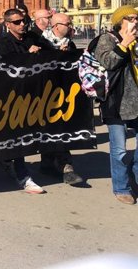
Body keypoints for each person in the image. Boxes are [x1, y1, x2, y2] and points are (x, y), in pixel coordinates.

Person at [0, 8, 46, 195]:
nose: (22, 24)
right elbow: (7, 67)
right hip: (12, 97)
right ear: (8, 25)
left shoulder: (32, 36)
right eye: (17, 22)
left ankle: (7, 162)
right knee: (18, 137)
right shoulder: (3, 42)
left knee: (21, 137)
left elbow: (50, 51)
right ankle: (23, 176)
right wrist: (28, 54)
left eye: (23, 21)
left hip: (34, 95)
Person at [93, 5, 138, 205]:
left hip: (136, 100)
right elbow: (107, 62)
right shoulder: (107, 39)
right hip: (115, 101)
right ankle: (121, 187)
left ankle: (135, 176)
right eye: (131, 18)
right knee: (119, 149)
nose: (135, 21)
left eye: (137, 18)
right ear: (121, 20)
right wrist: (124, 45)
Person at [39, 12, 84, 185]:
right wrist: (56, 53)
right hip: (45, 95)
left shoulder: (70, 44)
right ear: (57, 26)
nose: (71, 26)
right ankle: (55, 164)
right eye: (67, 24)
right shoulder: (41, 42)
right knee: (52, 130)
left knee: (61, 129)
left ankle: (64, 167)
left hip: (65, 94)